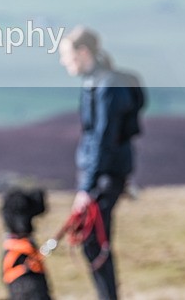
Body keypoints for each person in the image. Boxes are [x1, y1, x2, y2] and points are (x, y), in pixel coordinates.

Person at [58, 26, 145, 300]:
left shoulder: (105, 87)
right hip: (102, 174)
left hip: (104, 176)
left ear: (84, 53)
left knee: (96, 241)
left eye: (67, 55)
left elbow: (103, 139)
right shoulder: (95, 82)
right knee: (93, 241)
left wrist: (86, 187)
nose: (64, 62)